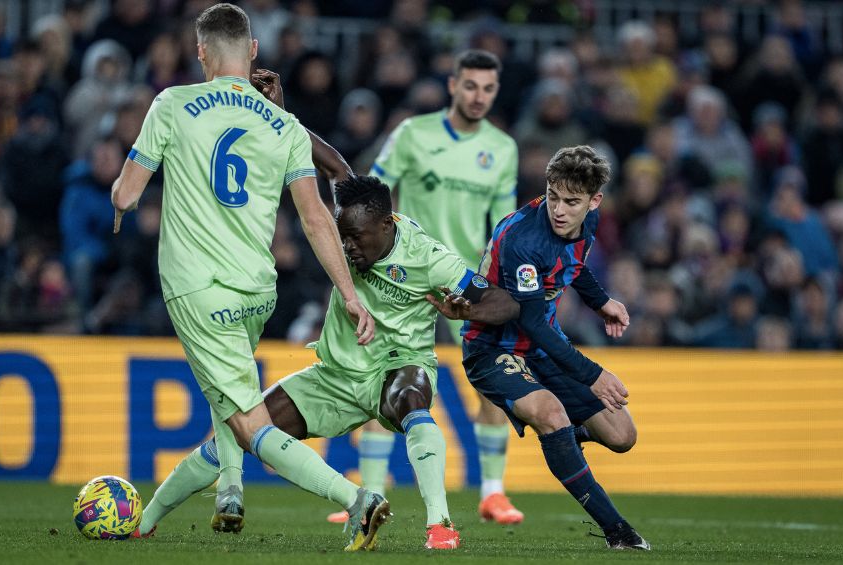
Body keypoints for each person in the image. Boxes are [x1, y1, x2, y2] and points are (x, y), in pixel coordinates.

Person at [109, 4, 384, 551]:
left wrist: (123, 203)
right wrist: (349, 295)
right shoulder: (283, 124)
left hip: (198, 289)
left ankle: (357, 500)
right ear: (253, 51)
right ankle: (221, 492)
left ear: (201, 52)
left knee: (249, 424)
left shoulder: (173, 103)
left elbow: (126, 192)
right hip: (257, 291)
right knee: (226, 399)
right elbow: (313, 218)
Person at [136, 175, 521, 550]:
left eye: (356, 237)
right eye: (343, 237)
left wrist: (467, 312)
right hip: (333, 376)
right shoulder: (357, 219)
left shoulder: (431, 259)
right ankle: (144, 521)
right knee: (241, 433)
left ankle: (440, 526)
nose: (348, 247)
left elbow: (505, 303)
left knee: (411, 399)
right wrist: (282, 120)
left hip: (397, 366)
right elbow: (329, 162)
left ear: (387, 224)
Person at [447, 145, 650, 550]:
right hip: (493, 349)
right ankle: (618, 532)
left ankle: (561, 439)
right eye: (553, 197)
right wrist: (593, 374)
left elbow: (573, 264)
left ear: (594, 202)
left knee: (622, 434)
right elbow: (533, 323)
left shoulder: (586, 224)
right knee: (552, 414)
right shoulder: (523, 238)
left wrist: (600, 301)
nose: (558, 209)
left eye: (571, 202)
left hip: (540, 351)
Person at [358, 48, 524, 525]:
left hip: (464, 281)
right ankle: (370, 491)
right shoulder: (413, 134)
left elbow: (504, 225)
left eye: (488, 89)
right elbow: (374, 189)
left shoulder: (503, 148)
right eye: (470, 86)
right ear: (452, 85)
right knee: (380, 379)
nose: (479, 96)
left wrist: (498, 284)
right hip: (404, 276)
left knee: (492, 383)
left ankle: (493, 493)